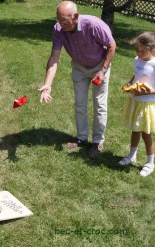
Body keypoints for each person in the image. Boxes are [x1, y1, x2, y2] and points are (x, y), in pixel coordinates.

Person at [38, 1, 116, 157]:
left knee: (99, 104)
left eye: (64, 21)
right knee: (80, 103)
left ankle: (97, 142)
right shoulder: (58, 29)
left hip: (99, 67)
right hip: (79, 67)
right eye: (58, 20)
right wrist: (47, 84)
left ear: (76, 17)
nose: (60, 24)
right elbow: (54, 57)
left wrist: (103, 70)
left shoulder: (94, 25)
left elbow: (112, 45)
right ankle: (81, 138)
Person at [118, 32, 155, 177]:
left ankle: (150, 163)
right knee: (135, 130)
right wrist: (130, 83)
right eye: (137, 49)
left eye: (142, 51)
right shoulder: (137, 60)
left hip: (147, 104)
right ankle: (132, 155)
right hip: (135, 100)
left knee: (146, 134)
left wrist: (148, 92)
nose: (139, 53)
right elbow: (136, 75)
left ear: (152, 50)